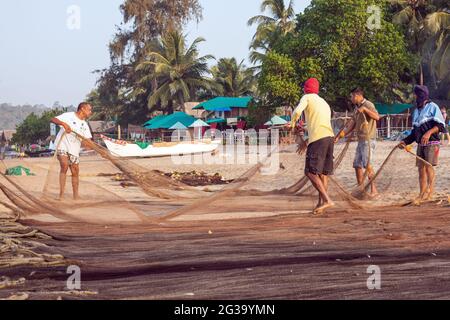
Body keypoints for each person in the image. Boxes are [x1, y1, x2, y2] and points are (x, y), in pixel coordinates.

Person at [290, 78, 335, 215]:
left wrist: (292, 124)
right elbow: (319, 123)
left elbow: (297, 111)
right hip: (329, 137)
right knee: (323, 173)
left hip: (318, 139)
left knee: (310, 172)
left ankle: (327, 200)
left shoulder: (307, 97)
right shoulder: (324, 102)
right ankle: (321, 203)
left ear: (305, 89)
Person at [399, 85, 447, 202]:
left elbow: (441, 126)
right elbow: (415, 132)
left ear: (421, 95)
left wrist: (428, 133)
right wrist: (404, 142)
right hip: (421, 144)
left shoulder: (433, 107)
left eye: (416, 94)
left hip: (432, 143)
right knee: (421, 169)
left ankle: (430, 193)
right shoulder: (416, 111)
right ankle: (422, 193)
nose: (415, 96)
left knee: (429, 167)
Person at [335, 88, 380, 198]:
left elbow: (376, 117)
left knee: (367, 164)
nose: (351, 99)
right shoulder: (356, 108)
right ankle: (361, 189)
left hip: (368, 140)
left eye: (352, 96)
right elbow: (352, 124)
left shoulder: (368, 104)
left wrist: (365, 110)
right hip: (361, 140)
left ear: (357, 95)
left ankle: (374, 190)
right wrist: (341, 135)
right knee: (357, 165)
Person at [51, 102, 93, 200]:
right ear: (82, 109)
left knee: (75, 171)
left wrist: (96, 148)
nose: (90, 112)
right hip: (62, 146)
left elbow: (88, 141)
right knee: (64, 165)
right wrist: (63, 124)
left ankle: (75, 196)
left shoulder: (85, 125)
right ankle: (61, 195)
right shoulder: (69, 116)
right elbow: (53, 119)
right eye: (89, 110)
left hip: (74, 150)